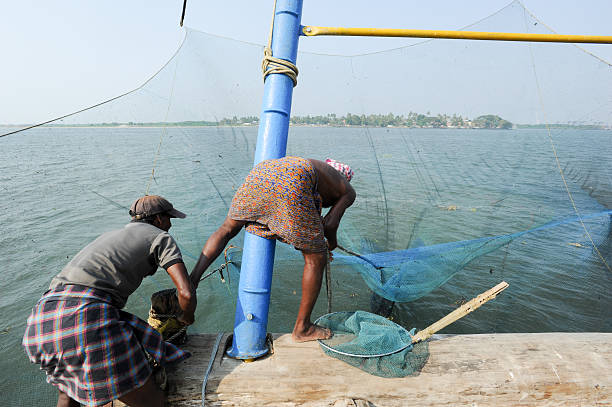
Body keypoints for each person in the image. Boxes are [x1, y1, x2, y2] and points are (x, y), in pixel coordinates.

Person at [23, 195, 197, 407]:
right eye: (169, 218)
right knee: (154, 402)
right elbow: (186, 293)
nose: (170, 225)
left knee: (68, 395)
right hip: (84, 319)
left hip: (42, 320)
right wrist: (186, 316)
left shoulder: (111, 235)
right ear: (159, 219)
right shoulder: (159, 236)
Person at [190, 157, 355, 342]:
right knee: (315, 259)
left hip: (260, 174)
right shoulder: (347, 191)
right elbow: (330, 224)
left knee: (227, 228)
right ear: (345, 178)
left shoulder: (319, 172)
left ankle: (192, 280)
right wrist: (329, 244)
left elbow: (306, 217)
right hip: (292, 181)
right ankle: (303, 328)